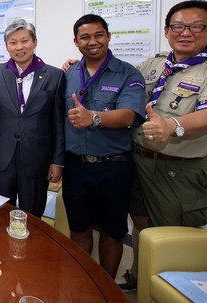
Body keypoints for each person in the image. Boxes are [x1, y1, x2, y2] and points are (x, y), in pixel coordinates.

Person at [121, 0, 207, 290]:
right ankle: (139, 276)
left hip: (177, 170)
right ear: (166, 30)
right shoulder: (155, 64)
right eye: (177, 26)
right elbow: (122, 78)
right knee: (140, 223)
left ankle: (171, 287)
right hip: (138, 159)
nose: (185, 33)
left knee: (172, 235)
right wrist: (79, 66)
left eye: (196, 26)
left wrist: (172, 125)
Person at [61, 14, 146, 279]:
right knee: (79, 228)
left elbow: (129, 115)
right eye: (85, 37)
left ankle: (107, 286)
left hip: (113, 167)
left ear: (108, 36)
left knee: (112, 232)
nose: (92, 42)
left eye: (99, 35)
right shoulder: (68, 74)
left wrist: (94, 117)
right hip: (75, 166)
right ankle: (83, 284)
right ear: (76, 42)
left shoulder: (129, 73)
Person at [0, 19, 65, 216]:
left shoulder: (54, 75)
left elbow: (58, 122)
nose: (19, 47)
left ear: (34, 42)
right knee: (0, 212)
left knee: (32, 215)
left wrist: (57, 161)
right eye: (13, 42)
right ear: (7, 46)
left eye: (24, 41)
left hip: (37, 157)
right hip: (3, 155)